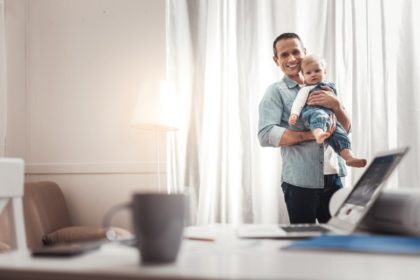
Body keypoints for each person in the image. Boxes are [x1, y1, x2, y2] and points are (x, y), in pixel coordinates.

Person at [258, 33, 352, 224]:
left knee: (337, 237)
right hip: (300, 182)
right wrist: (311, 135)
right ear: (276, 60)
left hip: (333, 176)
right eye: (284, 55)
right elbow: (266, 134)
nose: (291, 59)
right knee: (303, 241)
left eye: (295, 52)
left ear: (305, 53)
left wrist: (336, 105)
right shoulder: (276, 92)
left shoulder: (326, 86)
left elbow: (345, 130)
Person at [288, 54, 367, 168]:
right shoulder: (306, 89)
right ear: (303, 76)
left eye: (317, 70)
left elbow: (339, 108)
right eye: (308, 73)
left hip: (331, 118)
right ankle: (318, 133)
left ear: (324, 72)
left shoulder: (330, 87)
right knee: (319, 116)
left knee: (340, 134)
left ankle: (349, 157)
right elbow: (298, 102)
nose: (313, 74)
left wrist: (336, 104)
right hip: (313, 112)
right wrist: (294, 114)